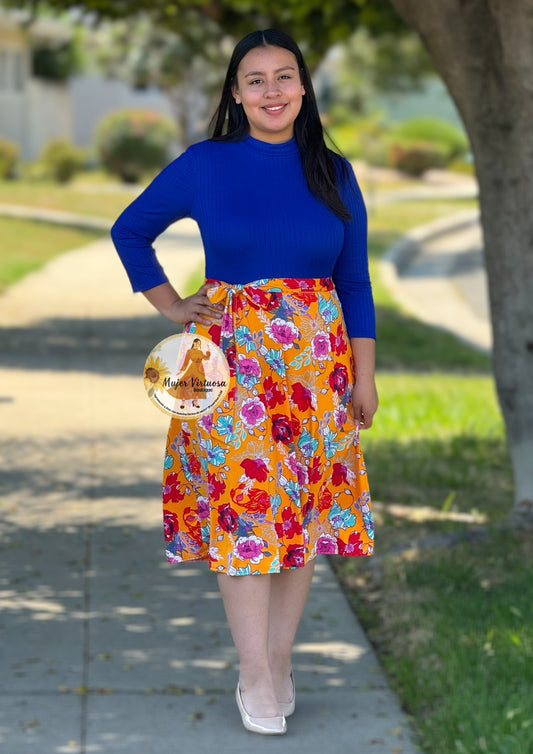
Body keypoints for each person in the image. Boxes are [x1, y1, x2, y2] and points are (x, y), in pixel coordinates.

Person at [111, 28, 378, 736]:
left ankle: (280, 660)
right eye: (254, 79)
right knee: (243, 513)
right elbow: (129, 230)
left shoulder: (332, 170)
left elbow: (353, 281)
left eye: (283, 77)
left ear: (302, 87)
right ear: (234, 92)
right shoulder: (205, 165)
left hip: (318, 372)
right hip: (229, 367)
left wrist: (365, 377)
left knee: (300, 518)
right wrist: (170, 304)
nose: (270, 91)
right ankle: (253, 670)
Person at [167, 336, 211, 409]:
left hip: (200, 369)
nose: (197, 345)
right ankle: (183, 401)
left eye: (199, 344)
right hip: (193, 367)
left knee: (199, 385)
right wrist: (182, 370)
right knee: (186, 383)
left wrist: (208, 351)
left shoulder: (200, 352)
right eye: (196, 343)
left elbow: (206, 358)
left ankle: (195, 401)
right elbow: (186, 361)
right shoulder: (189, 351)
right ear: (193, 343)